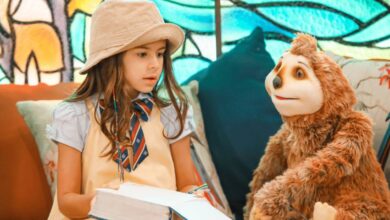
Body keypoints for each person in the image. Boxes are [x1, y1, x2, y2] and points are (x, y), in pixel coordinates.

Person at [46, 1, 203, 219]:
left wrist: (194, 198)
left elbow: (187, 183)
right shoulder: (75, 115)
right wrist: (104, 203)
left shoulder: (172, 113)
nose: (155, 64)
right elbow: (67, 201)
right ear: (111, 58)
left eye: (159, 54)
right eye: (142, 54)